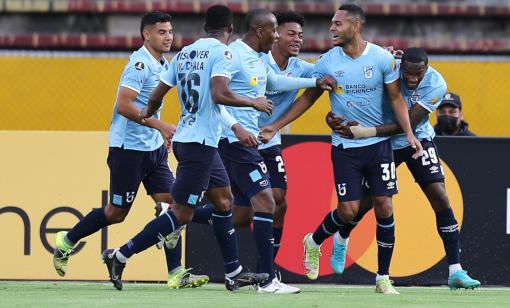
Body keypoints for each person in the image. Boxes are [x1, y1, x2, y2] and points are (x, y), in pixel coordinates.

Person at [100, 4, 270, 291]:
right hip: (198, 144)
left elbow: (157, 94)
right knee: (181, 213)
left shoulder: (185, 53)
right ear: (230, 30)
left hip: (197, 140)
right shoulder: (223, 52)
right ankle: (120, 255)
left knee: (224, 200)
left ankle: (234, 272)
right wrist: (252, 101)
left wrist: (148, 114)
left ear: (206, 27)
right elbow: (220, 93)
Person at [259, 4, 422, 295]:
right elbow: (306, 99)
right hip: (345, 146)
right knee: (349, 211)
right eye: (331, 24)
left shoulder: (382, 59)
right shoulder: (326, 62)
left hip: (379, 146)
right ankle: (314, 241)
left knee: (384, 206)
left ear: (355, 26)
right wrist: (276, 125)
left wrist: (409, 134)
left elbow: (397, 99)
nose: (331, 28)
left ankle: (383, 277)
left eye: (337, 24)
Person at [52, 11, 208, 289]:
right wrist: (160, 125)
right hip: (128, 150)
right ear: (146, 34)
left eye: (170, 31)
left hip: (154, 149)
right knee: (116, 213)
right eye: (162, 32)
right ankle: (66, 240)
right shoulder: (139, 64)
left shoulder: (164, 63)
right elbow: (124, 105)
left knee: (173, 206)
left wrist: (162, 136)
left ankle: (176, 273)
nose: (168, 36)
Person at [328, 47, 481, 290]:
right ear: (400, 67)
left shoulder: (436, 84)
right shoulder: (387, 71)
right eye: (407, 72)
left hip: (417, 139)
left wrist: (366, 131)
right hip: (383, 144)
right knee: (367, 203)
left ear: (426, 69)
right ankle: (342, 235)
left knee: (440, 196)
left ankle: (455, 271)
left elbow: (408, 122)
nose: (411, 78)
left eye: (417, 73)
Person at [219, 8, 334, 294]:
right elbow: (271, 82)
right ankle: (182, 215)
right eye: (290, 33)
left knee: (278, 201)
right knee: (240, 214)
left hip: (267, 142)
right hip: (239, 140)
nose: (297, 40)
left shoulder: (300, 66)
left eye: (301, 35)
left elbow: (328, 74)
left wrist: (385, 57)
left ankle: (265, 270)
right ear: (272, 33)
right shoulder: (256, 56)